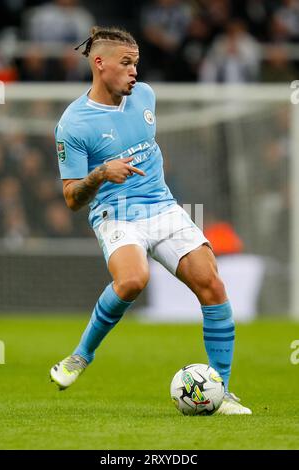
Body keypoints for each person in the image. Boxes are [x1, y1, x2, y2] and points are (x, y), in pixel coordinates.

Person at [50, 26, 251, 415]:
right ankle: (80, 356)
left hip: (161, 206)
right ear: (99, 63)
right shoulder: (73, 124)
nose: (134, 72)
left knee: (212, 283)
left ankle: (221, 389)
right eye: (126, 64)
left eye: (136, 64)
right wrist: (100, 174)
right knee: (132, 280)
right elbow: (72, 198)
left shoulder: (145, 96)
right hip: (115, 213)